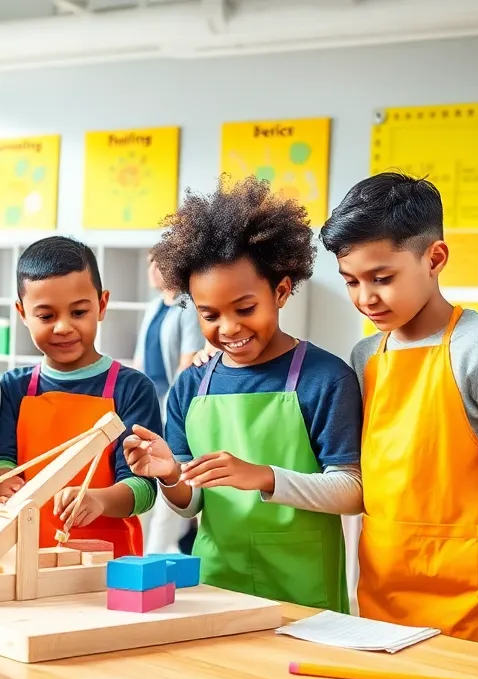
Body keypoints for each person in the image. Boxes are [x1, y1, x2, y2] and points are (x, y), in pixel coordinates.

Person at [321, 171, 478, 647]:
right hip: (385, 582)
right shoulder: (366, 356)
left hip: (472, 593)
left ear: (435, 258)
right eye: (351, 281)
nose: (365, 298)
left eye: (382, 278)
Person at [123, 177, 364, 610]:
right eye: (209, 314)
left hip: (304, 591)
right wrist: (171, 476)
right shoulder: (192, 385)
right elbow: (189, 505)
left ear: (282, 292)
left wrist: (264, 476)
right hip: (217, 585)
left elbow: (351, 490)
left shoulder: (326, 378)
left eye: (245, 308)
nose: (229, 328)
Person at [0, 236, 162, 558]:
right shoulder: (12, 387)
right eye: (46, 316)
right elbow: (1, 458)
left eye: (78, 312)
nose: (63, 327)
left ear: (102, 304)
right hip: (22, 557)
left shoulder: (133, 389)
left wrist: (99, 500)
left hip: (110, 563)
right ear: (22, 313)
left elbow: (144, 488)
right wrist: (0, 480)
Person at [134, 251, 204, 554]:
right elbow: (139, 359)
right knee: (148, 477)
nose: (151, 269)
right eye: (149, 261)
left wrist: (170, 410)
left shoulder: (187, 306)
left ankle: (158, 553)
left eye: (157, 262)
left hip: (172, 404)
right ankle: (150, 549)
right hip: (150, 401)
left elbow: (186, 362)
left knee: (170, 474)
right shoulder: (153, 307)